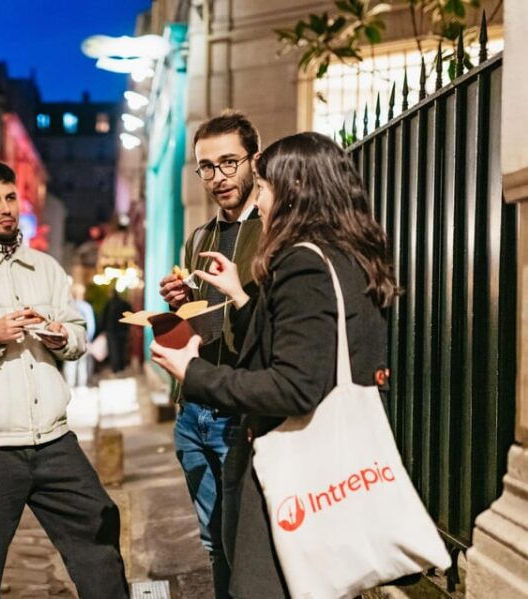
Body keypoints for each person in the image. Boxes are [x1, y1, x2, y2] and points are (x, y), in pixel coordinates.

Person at [150, 132, 398, 598]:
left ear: (295, 189)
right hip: (306, 444)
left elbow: (295, 384)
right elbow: (290, 340)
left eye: (261, 185)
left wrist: (193, 372)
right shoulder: (340, 254)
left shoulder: (305, 262)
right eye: (207, 166)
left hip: (289, 444)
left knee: (263, 573)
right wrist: (240, 298)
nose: (257, 200)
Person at [0, 161, 128, 599]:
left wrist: (59, 335)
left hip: (53, 439)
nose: (5, 208)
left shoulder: (47, 269)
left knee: (99, 530)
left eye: (10, 197)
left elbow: (77, 334)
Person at [156, 111, 262, 595]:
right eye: (206, 167)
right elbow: (195, 324)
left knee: (247, 542)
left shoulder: (271, 233)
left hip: (242, 411)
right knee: (212, 541)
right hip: (193, 410)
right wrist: (178, 305)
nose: (218, 178)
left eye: (229, 163)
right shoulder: (199, 237)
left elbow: (271, 324)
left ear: (253, 161)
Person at [63, 282, 95, 387]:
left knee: (70, 363)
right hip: (83, 339)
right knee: (82, 364)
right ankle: (82, 386)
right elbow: (91, 326)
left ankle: (70, 386)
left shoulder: (67, 307)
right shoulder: (87, 307)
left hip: (69, 339)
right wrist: (88, 339)